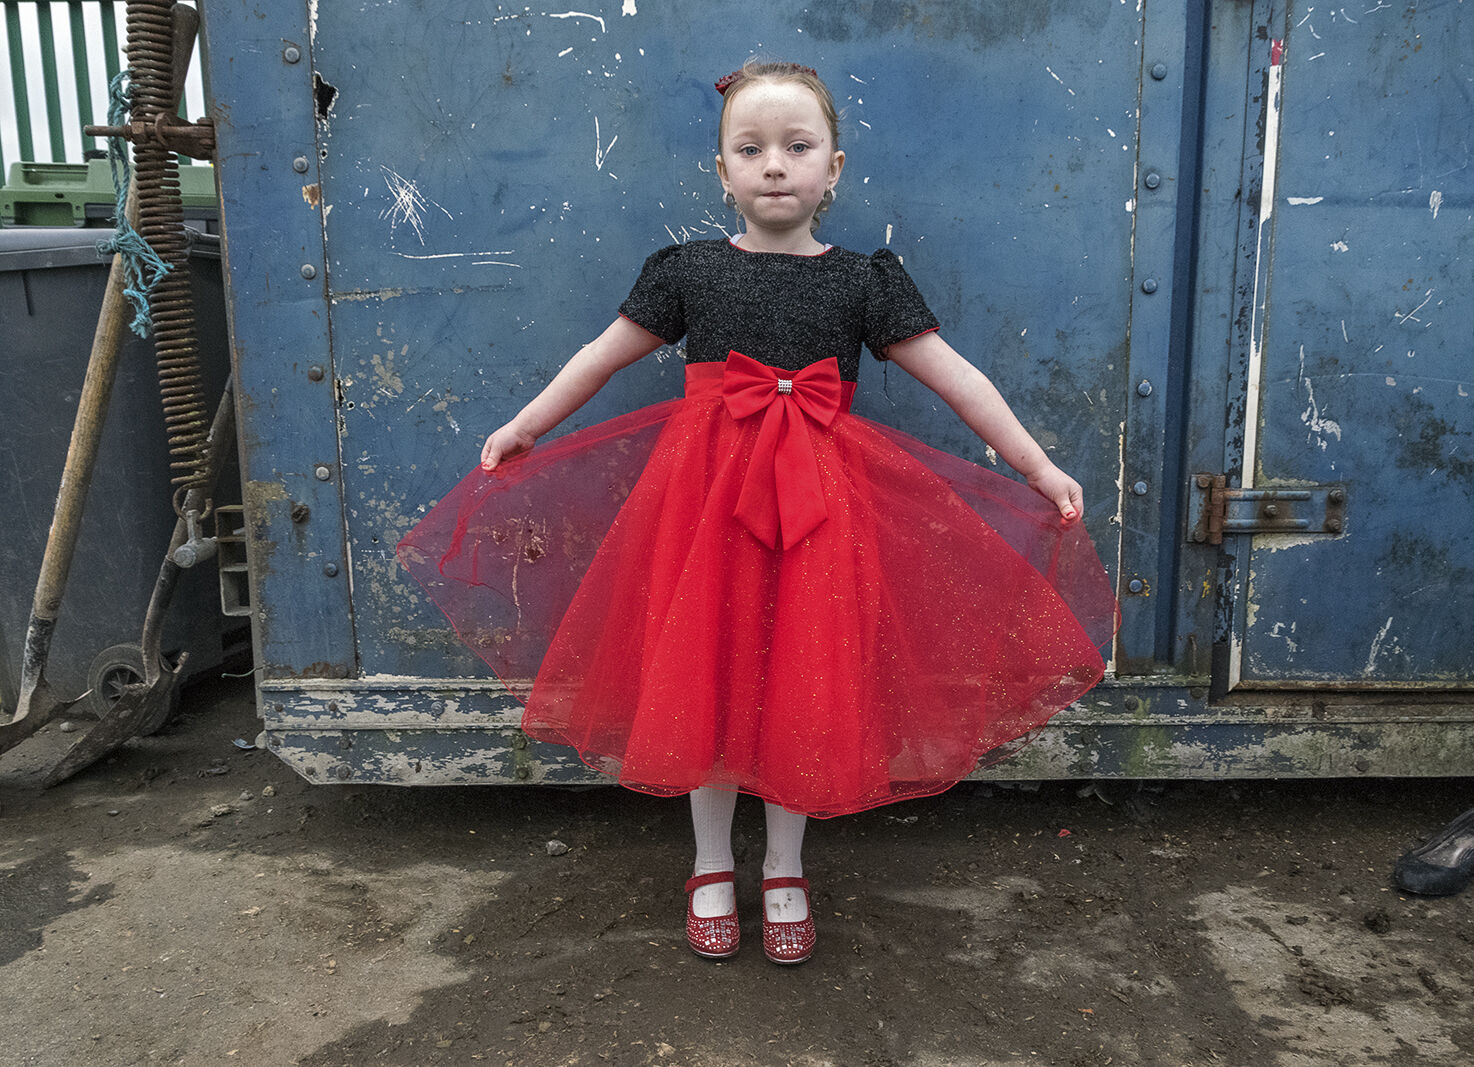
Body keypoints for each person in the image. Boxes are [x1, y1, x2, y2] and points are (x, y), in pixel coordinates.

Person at [398, 59, 1117, 966]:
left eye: (797, 146)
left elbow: (959, 379)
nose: (774, 164)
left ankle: (784, 866)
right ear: (723, 170)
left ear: (835, 167)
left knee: (803, 682)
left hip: (821, 517)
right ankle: (708, 864)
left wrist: (1039, 464)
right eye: (751, 147)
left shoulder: (865, 281)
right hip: (706, 513)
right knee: (705, 677)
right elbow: (602, 355)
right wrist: (526, 425)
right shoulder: (688, 271)